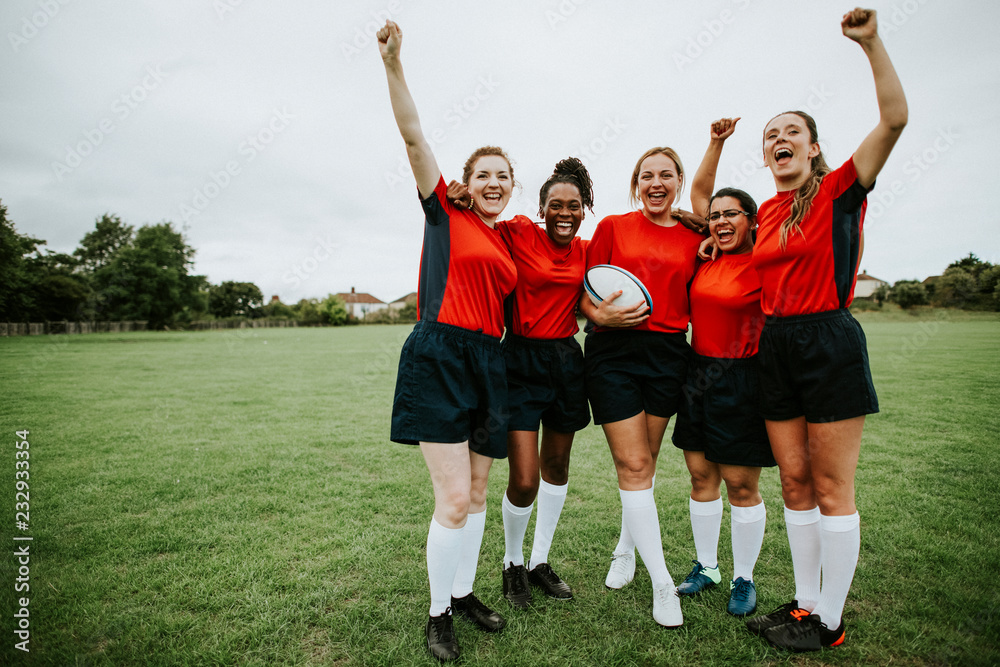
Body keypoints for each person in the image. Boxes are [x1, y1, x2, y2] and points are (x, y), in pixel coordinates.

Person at [741, 8, 907, 652]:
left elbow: (894, 119)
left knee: (833, 485)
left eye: (791, 132)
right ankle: (806, 604)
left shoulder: (839, 188)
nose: (779, 139)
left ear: (812, 147)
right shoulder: (771, 209)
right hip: (776, 344)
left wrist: (869, 43)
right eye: (770, 135)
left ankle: (830, 623)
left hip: (828, 340)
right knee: (794, 482)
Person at [378, 20, 519, 662]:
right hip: (440, 353)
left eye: (504, 176)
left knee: (482, 493)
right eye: (484, 173)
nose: (493, 182)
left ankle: (463, 592)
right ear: (467, 179)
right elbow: (413, 136)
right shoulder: (446, 209)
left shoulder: (508, 235)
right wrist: (394, 64)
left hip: (492, 359)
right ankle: (437, 616)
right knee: (454, 498)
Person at [577, 146, 705, 628]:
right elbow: (580, 288)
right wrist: (596, 314)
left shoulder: (696, 235)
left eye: (665, 175)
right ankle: (662, 584)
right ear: (636, 183)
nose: (656, 182)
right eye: (646, 175)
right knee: (632, 464)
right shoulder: (612, 227)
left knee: (645, 465)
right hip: (613, 354)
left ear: (677, 182)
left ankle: (625, 546)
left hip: (670, 355)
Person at [670, 118, 776, 619]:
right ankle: (707, 567)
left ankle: (744, 577)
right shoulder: (707, 258)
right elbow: (699, 190)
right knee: (699, 475)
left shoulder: (762, 260)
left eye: (732, 214)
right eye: (714, 217)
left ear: (752, 220)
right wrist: (714, 142)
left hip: (742, 377)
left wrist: (718, 142)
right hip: (697, 372)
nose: (720, 222)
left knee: (740, 483)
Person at [494, 158, 594, 608]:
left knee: (557, 468)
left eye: (574, 205)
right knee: (526, 479)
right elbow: (477, 219)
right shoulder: (517, 232)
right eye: (556, 205)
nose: (565, 213)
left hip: (566, 360)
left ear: (584, 208)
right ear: (541, 207)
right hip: (518, 359)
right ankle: (511, 561)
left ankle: (538, 561)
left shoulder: (589, 250)